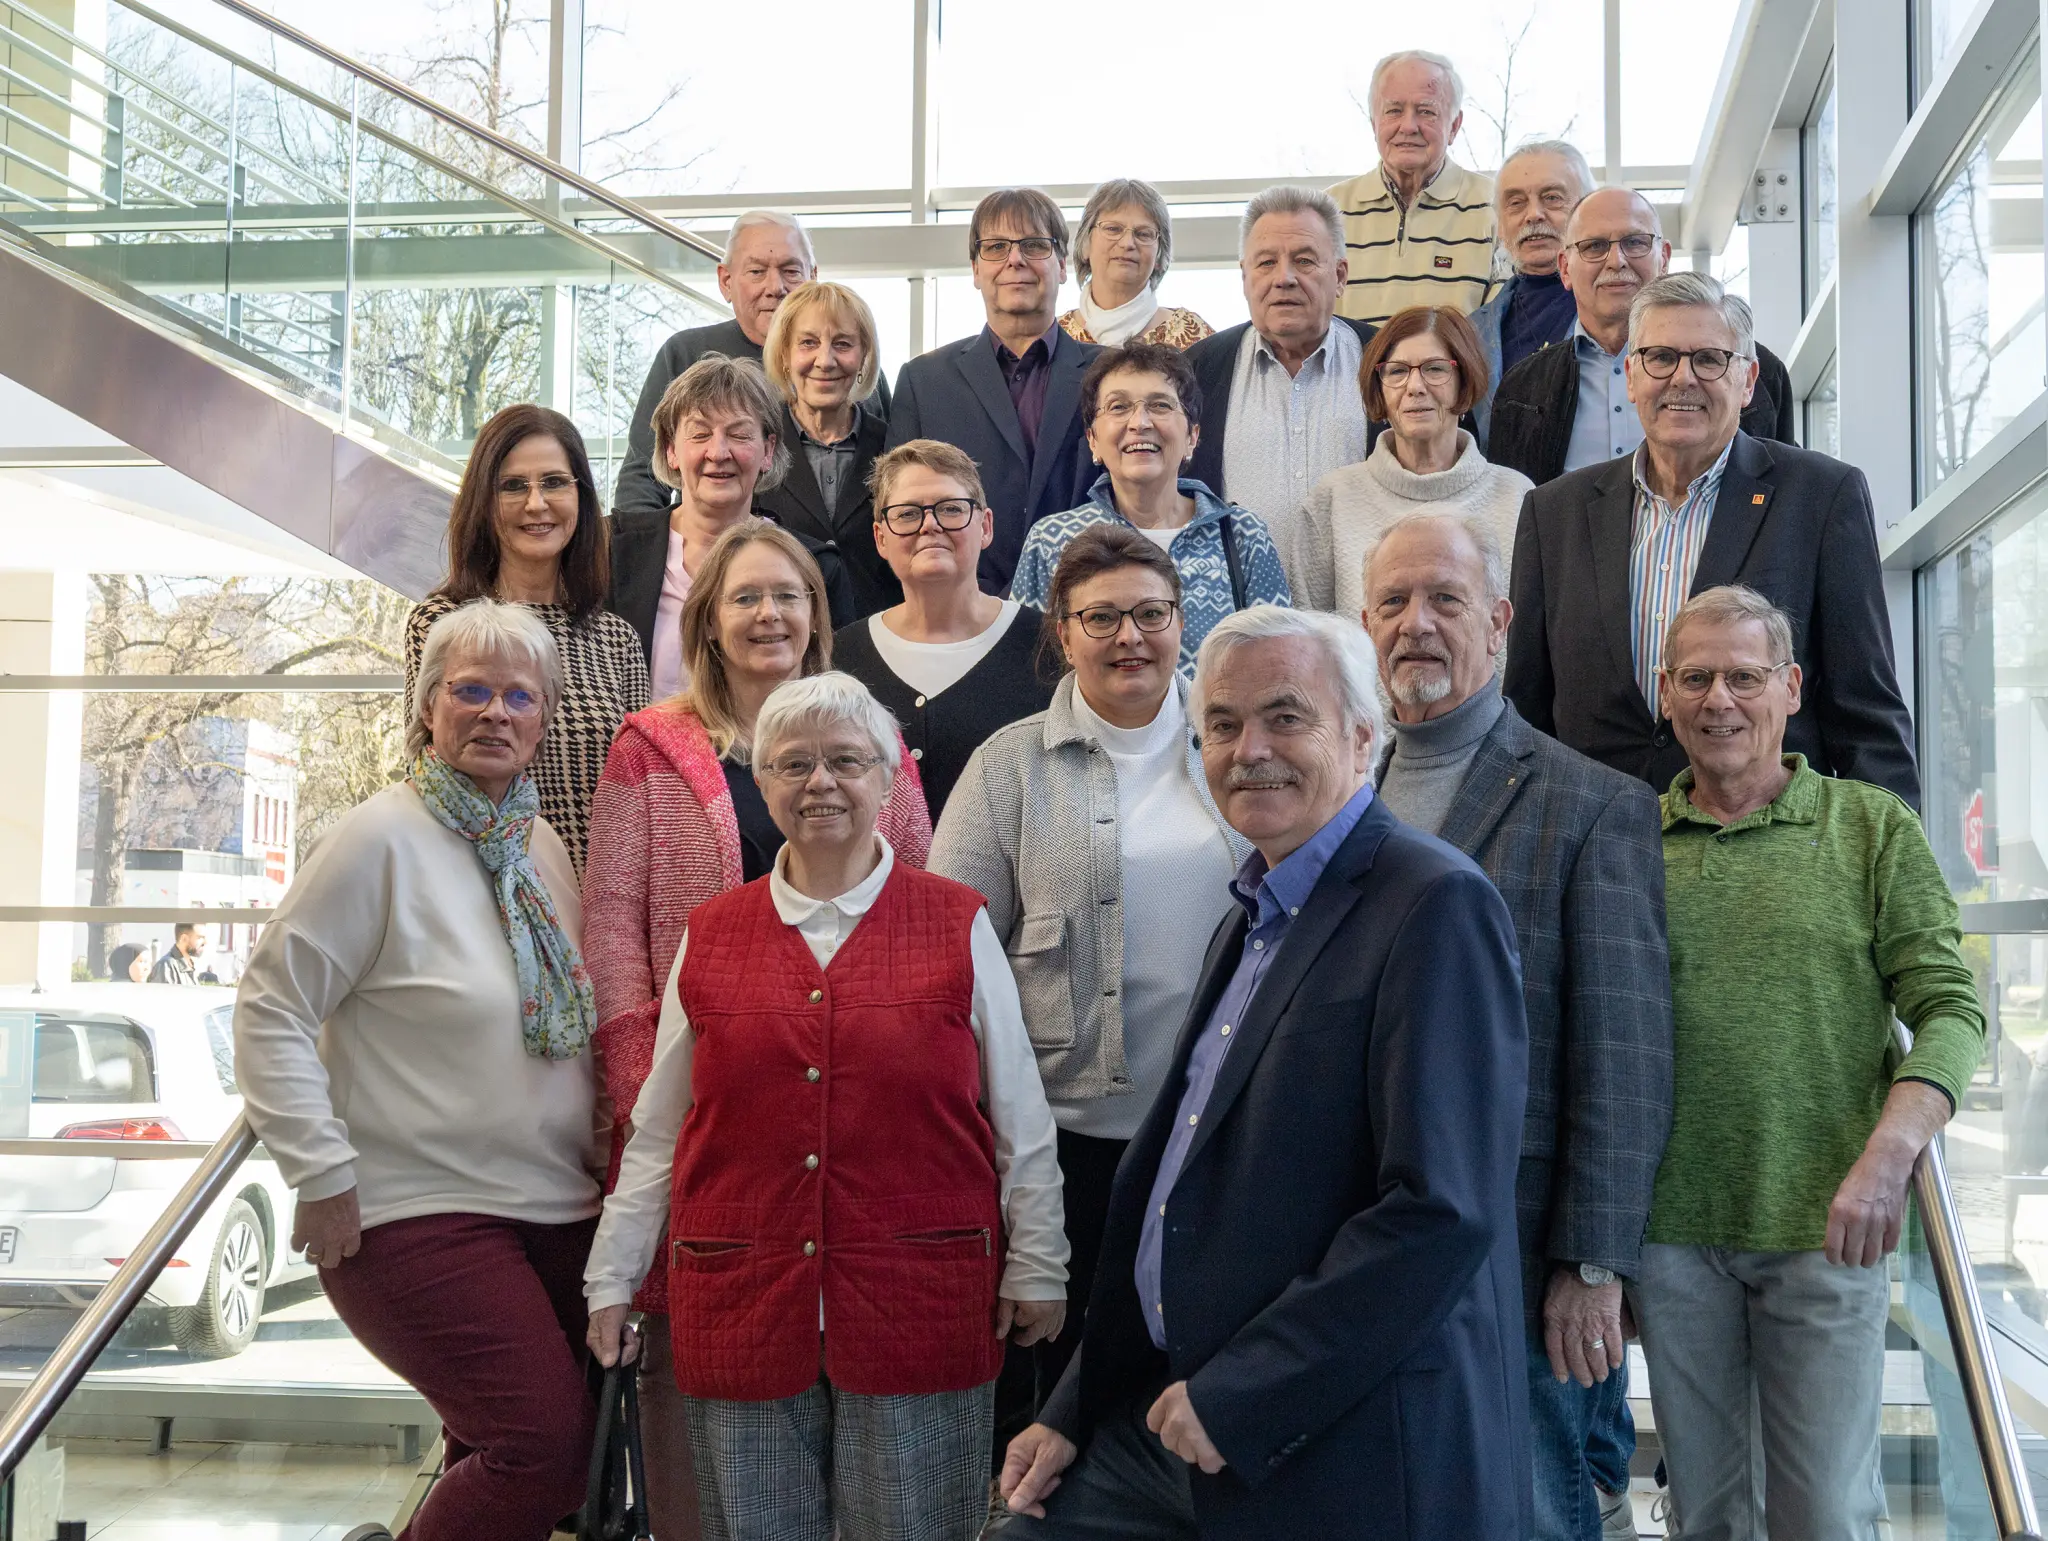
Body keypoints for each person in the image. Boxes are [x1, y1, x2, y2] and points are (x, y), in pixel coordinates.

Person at [999, 605, 1531, 1540]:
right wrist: (1072, 1408)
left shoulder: (1434, 903)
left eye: (1286, 717)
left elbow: (1439, 1209)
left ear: (1362, 736)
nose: (1250, 751)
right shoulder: (1249, 912)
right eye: (1223, 724)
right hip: (1170, 1419)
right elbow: (1171, 1187)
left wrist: (1245, 1394)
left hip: (1329, 1442)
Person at [583, 671, 1068, 1541]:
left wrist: (1038, 1260)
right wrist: (613, 1278)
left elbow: (1019, 1115)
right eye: (793, 763)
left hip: (919, 1297)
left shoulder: (957, 921)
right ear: (763, 783)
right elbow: (658, 1130)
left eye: (846, 760)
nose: (821, 783)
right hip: (742, 1299)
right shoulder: (712, 931)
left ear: (887, 778)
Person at [581, 520, 933, 1534]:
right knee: (698, 1365)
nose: (769, 613)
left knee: (847, 1361)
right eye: (745, 596)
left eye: (788, 595)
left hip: (855, 1105)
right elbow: (610, 921)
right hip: (705, 1101)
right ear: (707, 619)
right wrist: (645, 1082)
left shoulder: (871, 736)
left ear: (817, 617)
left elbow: (917, 893)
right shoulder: (650, 745)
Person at [236, 600, 604, 1541]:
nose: (495, 713)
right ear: (428, 705)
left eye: (519, 695)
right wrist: (319, 1170)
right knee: (543, 1448)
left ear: (545, 717)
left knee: (529, 1461)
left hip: (558, 1207)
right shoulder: (376, 839)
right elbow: (272, 1006)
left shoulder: (539, 845)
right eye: (470, 690)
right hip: (419, 1213)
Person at [1633, 584, 1984, 1541]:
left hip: (1826, 1226)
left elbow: (1950, 1009)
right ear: (1665, 693)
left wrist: (1890, 1156)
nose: (1719, 700)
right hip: (1669, 1240)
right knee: (1708, 1517)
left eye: (1744, 677)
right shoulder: (1627, 840)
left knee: (1825, 1515)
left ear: (1790, 688)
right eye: (1695, 678)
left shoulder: (1871, 827)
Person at [1362, 514, 1672, 1541]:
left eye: (1444, 599)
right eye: (1393, 601)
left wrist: (1592, 1264)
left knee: (1533, 1512)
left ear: (1497, 623)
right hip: (1363, 1248)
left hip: (1525, 1254)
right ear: (1364, 625)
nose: (1416, 622)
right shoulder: (1337, 794)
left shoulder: (1594, 805)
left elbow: (1624, 1057)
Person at [932, 525, 1250, 1436]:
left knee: (1199, 1391)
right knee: (1071, 1400)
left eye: (1152, 613)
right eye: (1101, 617)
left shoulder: (1238, 744)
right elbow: (953, 954)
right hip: (1069, 1147)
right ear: (1062, 633)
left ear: (1183, 622)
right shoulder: (1008, 766)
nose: (1130, 637)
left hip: (1220, 1138)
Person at [1505, 272, 1919, 805]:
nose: (1683, 378)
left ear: (1747, 381)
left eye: (1709, 359)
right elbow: (1527, 718)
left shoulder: (1821, 496)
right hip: (1593, 837)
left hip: (1764, 836)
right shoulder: (1552, 512)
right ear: (1631, 376)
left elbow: (1866, 710)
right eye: (1660, 357)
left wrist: (1893, 846)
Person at [405, 404, 648, 872]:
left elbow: (639, 794)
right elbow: (426, 776)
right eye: (513, 486)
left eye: (554, 482)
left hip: (595, 893)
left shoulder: (616, 639)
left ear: (581, 496)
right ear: (483, 501)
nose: (536, 504)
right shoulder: (441, 623)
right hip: (479, 884)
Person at [1010, 343, 1291, 679]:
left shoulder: (1242, 533)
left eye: (1160, 405)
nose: (1140, 422)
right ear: (1093, 440)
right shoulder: (1052, 540)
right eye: (1118, 407)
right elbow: (1026, 673)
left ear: (1192, 436)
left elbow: (1280, 665)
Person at [1488, 188, 1796, 484]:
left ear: (1664, 259)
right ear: (1565, 268)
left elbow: (1782, 490)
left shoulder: (1755, 372)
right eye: (1594, 246)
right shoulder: (1523, 389)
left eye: (1635, 242)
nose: (1616, 261)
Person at [887, 188, 1101, 591]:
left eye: (1034, 245)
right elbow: (901, 510)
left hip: (1088, 603)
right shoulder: (924, 382)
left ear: (1062, 265)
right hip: (960, 606)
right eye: (996, 247)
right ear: (975, 270)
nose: (1015, 259)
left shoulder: (1107, 375)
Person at [608, 356, 860, 700]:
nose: (718, 452)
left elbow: (839, 696)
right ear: (671, 451)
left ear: (768, 451)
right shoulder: (613, 552)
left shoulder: (815, 566)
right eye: (700, 434)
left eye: (739, 434)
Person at [612, 212, 889, 524]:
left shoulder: (851, 372)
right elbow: (644, 476)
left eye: (791, 271)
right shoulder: (687, 355)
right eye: (757, 271)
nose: (775, 287)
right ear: (726, 281)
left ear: (813, 277)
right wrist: (645, 547)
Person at [830, 440, 1055, 821]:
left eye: (951, 509)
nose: (930, 525)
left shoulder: (1049, 645)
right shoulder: (840, 658)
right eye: (907, 514)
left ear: (985, 527)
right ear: (881, 538)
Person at [1287, 305, 1530, 621]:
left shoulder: (1517, 498)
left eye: (1435, 369)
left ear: (1465, 380)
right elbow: (1310, 635)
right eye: (1397, 371)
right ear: (1379, 388)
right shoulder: (1334, 500)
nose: (1415, 387)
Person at [1183, 186, 1375, 557]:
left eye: (1304, 261)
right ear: (1244, 277)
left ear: (1340, 276)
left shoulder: (1387, 362)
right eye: (1266, 263)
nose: (1284, 278)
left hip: (1364, 593)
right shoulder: (1196, 371)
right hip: (1236, 594)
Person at [753, 280, 898, 618]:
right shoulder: (756, 446)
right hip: (779, 632)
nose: (825, 360)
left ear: (864, 357)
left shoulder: (893, 446)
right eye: (808, 343)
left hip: (877, 634)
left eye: (843, 344)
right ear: (785, 355)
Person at [1329, 51, 1495, 326]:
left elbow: (1501, 334)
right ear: (1374, 123)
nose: (1408, 126)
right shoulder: (1327, 212)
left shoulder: (1496, 208)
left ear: (1454, 126)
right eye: (1393, 111)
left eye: (1426, 111)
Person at [1467, 140, 1595, 444]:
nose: (1534, 214)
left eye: (1552, 198)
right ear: (1500, 226)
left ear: (1589, 211)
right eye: (1516, 203)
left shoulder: (1625, 315)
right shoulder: (1473, 332)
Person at [1057, 179, 1215, 348]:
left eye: (1143, 234)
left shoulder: (1195, 337)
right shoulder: (1054, 340)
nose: (1127, 243)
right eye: (1113, 229)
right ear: (1085, 244)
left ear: (1159, 255)